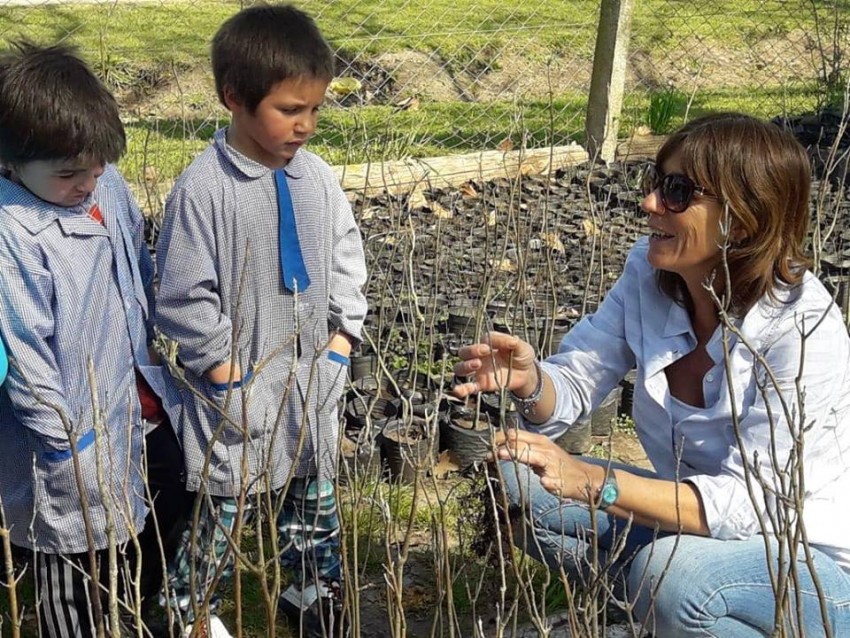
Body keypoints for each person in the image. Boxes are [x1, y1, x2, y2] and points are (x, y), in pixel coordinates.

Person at [453, 113, 850, 636]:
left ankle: (673, 606)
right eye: (656, 183)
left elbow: (747, 508)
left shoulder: (801, 327)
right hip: (696, 523)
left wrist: (596, 482)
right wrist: (530, 382)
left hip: (804, 561)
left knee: (673, 577)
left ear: (744, 216)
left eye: (678, 191)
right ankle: (660, 614)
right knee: (519, 483)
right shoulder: (651, 271)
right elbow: (576, 381)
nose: (649, 204)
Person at [155, 4, 367, 637]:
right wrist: (225, 372)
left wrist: (340, 341)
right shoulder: (204, 189)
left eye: (315, 109)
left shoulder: (319, 179)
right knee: (220, 521)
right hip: (239, 400)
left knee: (313, 520)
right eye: (289, 110)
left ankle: (313, 607)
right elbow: (182, 297)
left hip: (311, 390)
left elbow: (348, 259)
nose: (305, 125)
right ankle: (189, 617)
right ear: (234, 99)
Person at [0, 43, 187, 636]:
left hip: (134, 398)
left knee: (165, 503)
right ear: (10, 163)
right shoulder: (14, 233)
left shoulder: (107, 189)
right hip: (67, 436)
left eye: (97, 166)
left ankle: (131, 610)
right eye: (67, 174)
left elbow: (136, 266)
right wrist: (63, 448)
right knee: (72, 553)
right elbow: (26, 354)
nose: (87, 183)